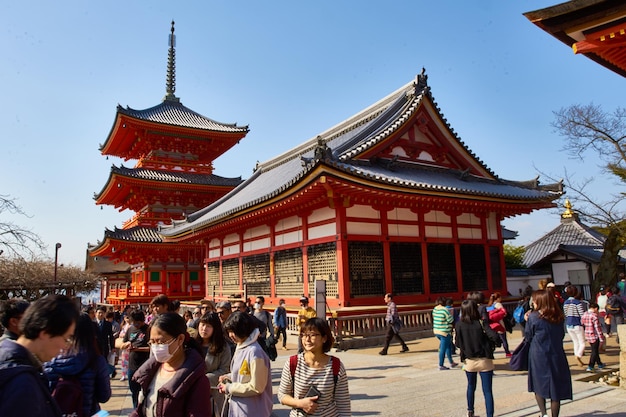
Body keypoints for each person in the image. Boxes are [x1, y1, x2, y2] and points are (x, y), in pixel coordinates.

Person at [0, 294, 79, 417]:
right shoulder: (21, 382)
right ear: (45, 332)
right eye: (66, 338)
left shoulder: (15, 363)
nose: (65, 347)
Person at [130, 312, 211, 417]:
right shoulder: (150, 371)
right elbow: (141, 410)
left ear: (180, 339)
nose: (156, 347)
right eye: (152, 342)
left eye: (161, 342)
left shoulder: (197, 380)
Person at [278, 317, 351, 417]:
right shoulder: (292, 363)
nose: (307, 339)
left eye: (312, 335)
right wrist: (300, 403)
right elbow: (282, 395)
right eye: (304, 335)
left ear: (324, 338)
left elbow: (343, 404)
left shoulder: (335, 366)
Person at [44, 313, 112, 417]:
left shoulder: (51, 357)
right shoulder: (96, 360)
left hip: (56, 412)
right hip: (87, 412)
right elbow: (104, 396)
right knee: (104, 414)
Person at [525, 290, 572, 417]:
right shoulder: (558, 316)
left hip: (539, 354)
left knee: (538, 384)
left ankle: (543, 413)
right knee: (555, 387)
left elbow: (528, 336)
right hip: (557, 353)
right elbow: (561, 335)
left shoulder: (534, 317)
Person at [218, 311, 273, 417]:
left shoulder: (255, 352)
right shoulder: (242, 347)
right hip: (241, 408)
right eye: (229, 332)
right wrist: (229, 376)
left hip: (253, 410)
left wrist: (229, 388)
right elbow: (245, 374)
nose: (230, 335)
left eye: (233, 331)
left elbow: (256, 386)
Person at [455, 299, 499, 417]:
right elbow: (494, 336)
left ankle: (470, 411)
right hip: (484, 359)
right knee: (488, 391)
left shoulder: (459, 324)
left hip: (469, 360)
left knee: (470, 386)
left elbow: (457, 343)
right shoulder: (481, 322)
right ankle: (490, 415)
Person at [195, 312, 231, 417]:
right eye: (202, 324)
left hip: (213, 394)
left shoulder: (223, 347)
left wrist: (203, 379)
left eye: (209, 326)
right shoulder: (192, 345)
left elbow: (225, 370)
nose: (204, 329)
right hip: (193, 393)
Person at [120, 310, 150, 409]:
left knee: (145, 391)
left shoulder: (148, 330)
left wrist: (138, 349)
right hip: (132, 365)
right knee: (134, 390)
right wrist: (127, 345)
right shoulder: (130, 329)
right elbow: (122, 343)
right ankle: (135, 409)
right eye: (134, 322)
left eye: (138, 322)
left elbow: (152, 348)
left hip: (145, 366)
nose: (136, 324)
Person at [563, 285, 585, 367]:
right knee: (582, 343)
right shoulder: (577, 303)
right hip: (577, 323)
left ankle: (577, 357)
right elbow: (582, 314)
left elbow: (565, 313)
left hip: (569, 324)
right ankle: (578, 355)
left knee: (575, 342)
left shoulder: (565, 303)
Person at [432, 296, 456, 368]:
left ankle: (451, 362)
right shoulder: (445, 310)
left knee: (448, 346)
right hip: (444, 331)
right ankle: (441, 364)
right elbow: (450, 320)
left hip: (436, 330)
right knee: (443, 348)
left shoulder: (435, 309)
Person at [581, 302, 606, 372]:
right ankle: (590, 365)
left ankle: (599, 363)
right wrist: (601, 338)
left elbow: (582, 323)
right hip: (594, 335)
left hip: (587, 334)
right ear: (595, 309)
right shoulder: (594, 316)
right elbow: (597, 328)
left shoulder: (584, 314)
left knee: (595, 350)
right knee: (594, 351)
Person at [486, 293, 511, 358]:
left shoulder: (489, 305)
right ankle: (507, 352)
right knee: (504, 339)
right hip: (499, 323)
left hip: (492, 324)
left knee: (493, 339)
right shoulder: (498, 304)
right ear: (498, 298)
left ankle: (491, 352)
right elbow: (504, 313)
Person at [95, 306, 116, 377]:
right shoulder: (93, 323)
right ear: (96, 313)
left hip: (104, 347)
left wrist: (113, 347)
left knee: (104, 362)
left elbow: (111, 336)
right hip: (95, 346)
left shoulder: (108, 324)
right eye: (99, 313)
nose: (100, 314)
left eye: (102, 313)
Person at [118, 313, 132, 381]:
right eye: (126, 318)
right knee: (124, 361)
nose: (127, 319)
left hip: (131, 345)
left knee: (131, 361)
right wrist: (123, 335)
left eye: (129, 318)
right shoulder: (124, 326)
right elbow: (120, 334)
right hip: (125, 346)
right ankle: (124, 374)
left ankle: (130, 374)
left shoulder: (132, 326)